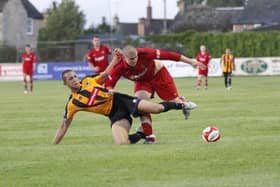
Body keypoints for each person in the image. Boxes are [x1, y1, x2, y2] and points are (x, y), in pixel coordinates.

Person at [52, 69, 197, 145]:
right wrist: (54, 146)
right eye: (71, 79)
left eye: (75, 76)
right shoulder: (72, 104)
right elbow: (63, 127)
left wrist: (115, 59)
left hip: (122, 101)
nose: (75, 80)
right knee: (122, 143)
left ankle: (182, 104)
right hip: (115, 114)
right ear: (65, 84)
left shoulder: (88, 80)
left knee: (156, 109)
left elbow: (105, 74)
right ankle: (141, 133)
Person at [105, 45, 205, 143]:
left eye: (136, 57)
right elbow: (109, 85)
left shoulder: (145, 52)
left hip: (159, 75)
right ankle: (150, 136)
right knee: (141, 105)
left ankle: (182, 102)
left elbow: (169, 55)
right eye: (131, 59)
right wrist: (110, 91)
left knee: (174, 101)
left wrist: (191, 61)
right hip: (142, 82)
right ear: (124, 58)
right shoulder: (118, 66)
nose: (135, 60)